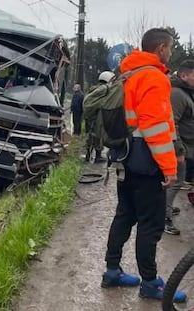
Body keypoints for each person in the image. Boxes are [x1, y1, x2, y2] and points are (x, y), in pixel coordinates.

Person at [101, 28, 186, 303]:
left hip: (124, 157)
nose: (171, 53)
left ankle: (112, 271)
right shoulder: (153, 77)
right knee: (150, 224)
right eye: (170, 48)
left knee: (124, 215)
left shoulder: (127, 73)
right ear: (161, 48)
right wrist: (169, 167)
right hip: (146, 162)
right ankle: (150, 283)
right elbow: (156, 127)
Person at [165, 60, 194, 235]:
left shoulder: (186, 92)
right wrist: (178, 149)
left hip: (187, 147)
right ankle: (164, 217)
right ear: (184, 75)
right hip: (180, 148)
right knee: (175, 183)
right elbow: (172, 122)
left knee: (178, 182)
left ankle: (167, 208)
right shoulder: (177, 93)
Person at [84, 71, 115, 162]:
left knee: (91, 135)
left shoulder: (94, 88)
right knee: (98, 135)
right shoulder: (105, 88)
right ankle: (98, 156)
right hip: (98, 115)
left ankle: (88, 155)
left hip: (91, 115)